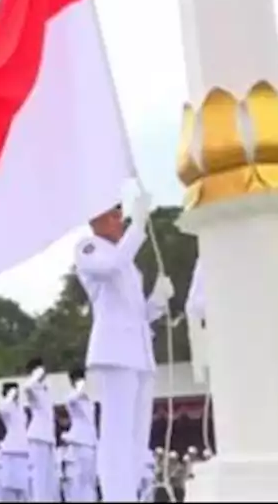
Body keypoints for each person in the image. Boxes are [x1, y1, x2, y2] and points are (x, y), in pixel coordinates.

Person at [74, 193, 173, 502]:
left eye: (122, 215)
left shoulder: (127, 263)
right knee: (116, 433)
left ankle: (132, 493)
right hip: (115, 351)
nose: (121, 220)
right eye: (114, 215)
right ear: (96, 220)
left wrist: (157, 299)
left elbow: (139, 313)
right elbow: (112, 266)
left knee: (136, 434)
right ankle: (118, 496)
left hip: (139, 352)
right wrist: (140, 225)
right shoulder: (89, 249)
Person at [21, 358, 58, 502]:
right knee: (39, 476)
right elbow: (27, 386)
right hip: (38, 436)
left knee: (49, 477)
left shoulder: (45, 389)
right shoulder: (33, 389)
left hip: (48, 437)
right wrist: (37, 373)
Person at [62, 369, 97, 502]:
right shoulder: (72, 397)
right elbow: (71, 399)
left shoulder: (88, 400)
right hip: (80, 440)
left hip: (91, 440)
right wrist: (79, 388)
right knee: (81, 476)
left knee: (90, 477)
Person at [0, 382, 31, 502]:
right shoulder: (5, 406)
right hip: (11, 450)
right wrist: (10, 394)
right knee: (9, 488)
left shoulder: (21, 408)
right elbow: (3, 408)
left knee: (24, 488)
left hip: (23, 449)